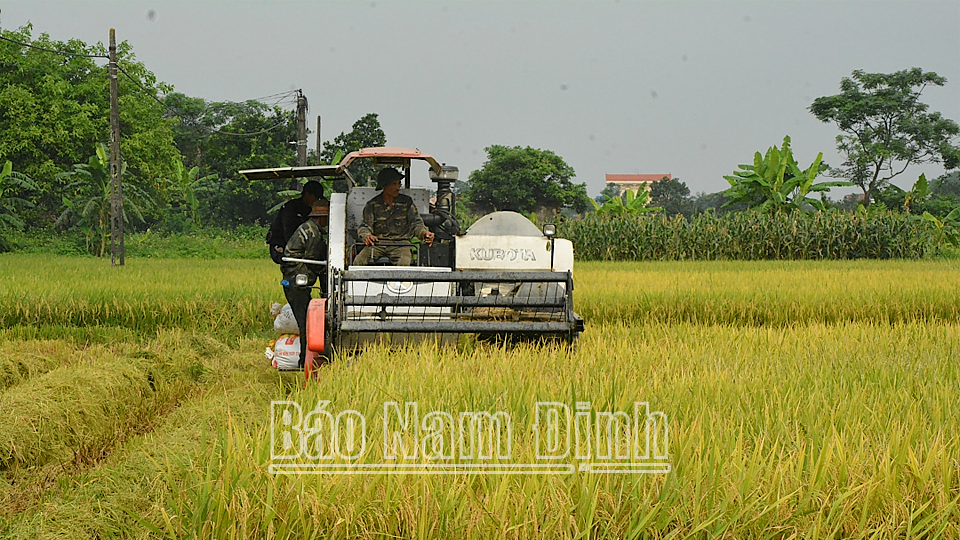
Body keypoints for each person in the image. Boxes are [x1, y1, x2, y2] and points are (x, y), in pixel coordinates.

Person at [281, 200, 329, 368]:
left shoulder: (309, 228)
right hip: (296, 283)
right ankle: (304, 361)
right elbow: (314, 261)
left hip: (294, 280)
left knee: (305, 320)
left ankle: (305, 359)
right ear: (321, 218)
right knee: (305, 322)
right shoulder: (313, 234)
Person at [354, 168, 434, 266]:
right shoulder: (372, 204)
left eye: (399, 184)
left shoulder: (406, 202)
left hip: (401, 244)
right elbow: (365, 226)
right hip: (378, 243)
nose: (398, 188)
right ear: (384, 186)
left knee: (405, 262)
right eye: (394, 184)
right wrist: (367, 236)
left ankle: (400, 282)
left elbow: (416, 223)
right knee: (359, 261)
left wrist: (424, 233)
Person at [266, 180, 325, 264]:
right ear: (307, 194)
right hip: (280, 246)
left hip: (298, 245)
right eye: (315, 197)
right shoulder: (290, 208)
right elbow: (288, 232)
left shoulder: (309, 209)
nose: (316, 201)